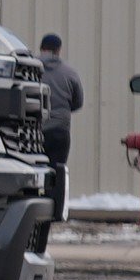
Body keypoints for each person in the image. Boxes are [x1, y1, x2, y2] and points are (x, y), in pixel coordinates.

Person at [39, 34, 84, 208]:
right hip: (60, 130)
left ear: (42, 48)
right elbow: (78, 102)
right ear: (58, 50)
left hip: (34, 131)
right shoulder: (70, 73)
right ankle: (56, 209)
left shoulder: (31, 69)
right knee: (58, 171)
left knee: (35, 171)